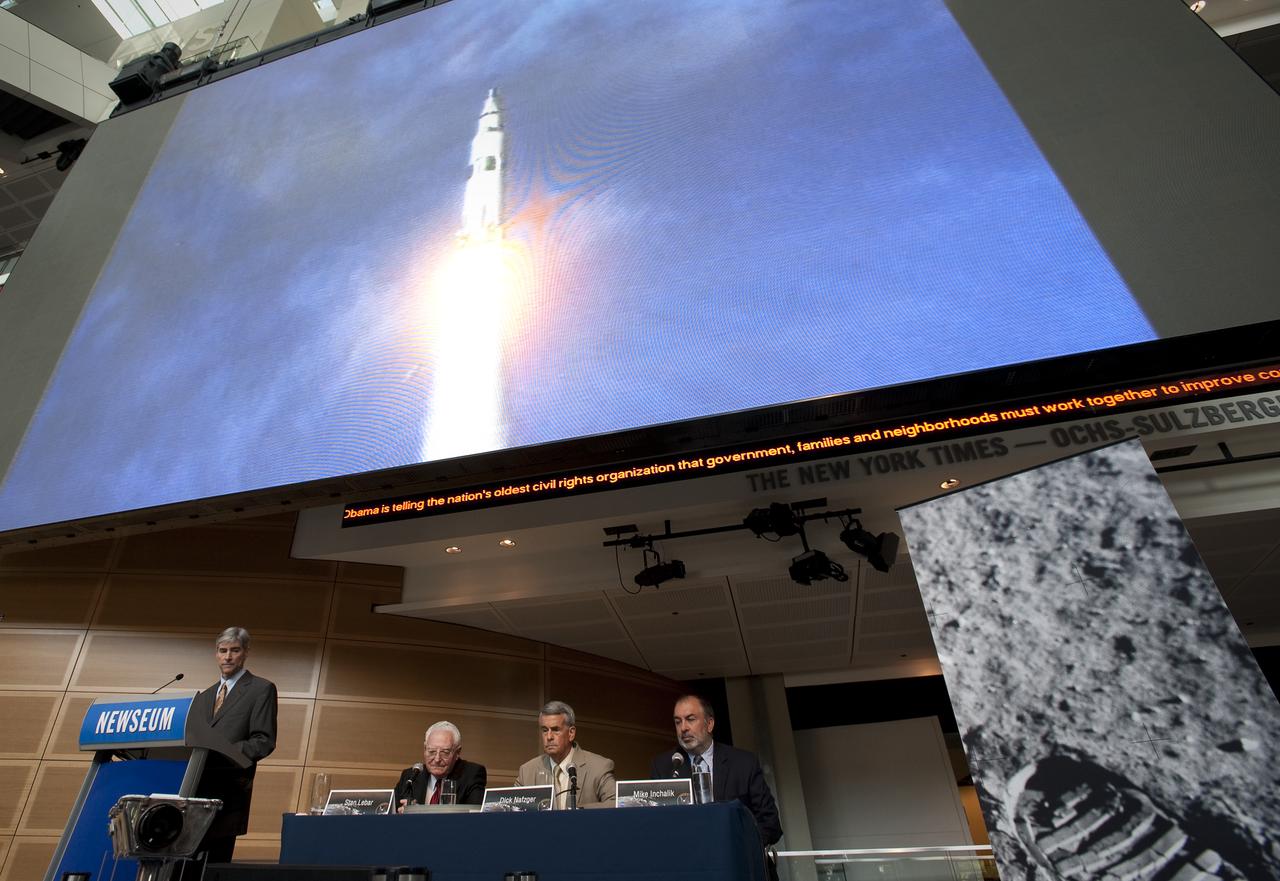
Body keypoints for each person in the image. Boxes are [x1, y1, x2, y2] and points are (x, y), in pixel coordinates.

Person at [181, 626, 278, 878]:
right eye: (222, 651)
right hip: (193, 795)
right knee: (186, 868)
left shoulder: (261, 689)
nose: (227, 657)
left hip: (228, 794)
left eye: (234, 650)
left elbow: (263, 740)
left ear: (245, 653)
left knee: (213, 869)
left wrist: (221, 752)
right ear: (216, 654)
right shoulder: (203, 697)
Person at [650, 694, 782, 846]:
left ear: (709, 724)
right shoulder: (664, 766)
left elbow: (770, 824)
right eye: (678, 722)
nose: (683, 728)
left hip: (736, 857)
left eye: (690, 719)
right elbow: (657, 824)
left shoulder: (743, 763)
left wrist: (738, 843)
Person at [515, 700, 616, 807]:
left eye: (555, 730)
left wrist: (577, 813)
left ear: (571, 733)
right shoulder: (527, 772)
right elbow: (511, 809)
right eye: (545, 730)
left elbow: (616, 803)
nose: (549, 737)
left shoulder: (599, 767)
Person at [396, 720, 487, 808]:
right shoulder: (411, 776)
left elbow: (473, 816)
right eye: (432, 751)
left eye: (445, 752)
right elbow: (390, 812)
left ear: (457, 753)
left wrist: (419, 812)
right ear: (425, 749)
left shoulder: (472, 774)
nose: (437, 759)